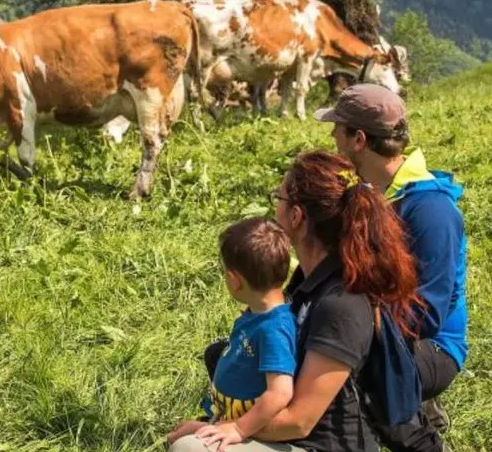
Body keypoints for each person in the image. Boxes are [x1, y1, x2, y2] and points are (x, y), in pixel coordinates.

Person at [170, 151, 424, 452]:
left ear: (296, 217)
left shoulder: (340, 303)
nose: (273, 208)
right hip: (295, 435)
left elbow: (299, 421)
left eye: (279, 198)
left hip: (319, 445)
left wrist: (219, 427)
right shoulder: (308, 278)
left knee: (190, 448)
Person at [315, 84, 467, 451]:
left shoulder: (430, 210)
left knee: (338, 371)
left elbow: (426, 314)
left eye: (337, 127)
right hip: (377, 331)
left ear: (359, 139)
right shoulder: (365, 192)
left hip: (433, 348)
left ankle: (418, 434)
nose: (332, 136)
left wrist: (352, 334)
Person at [167, 217, 297, 451]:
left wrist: (239, 429)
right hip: (227, 419)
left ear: (234, 280)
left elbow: (280, 392)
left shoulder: (273, 329)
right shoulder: (259, 315)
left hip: (250, 431)